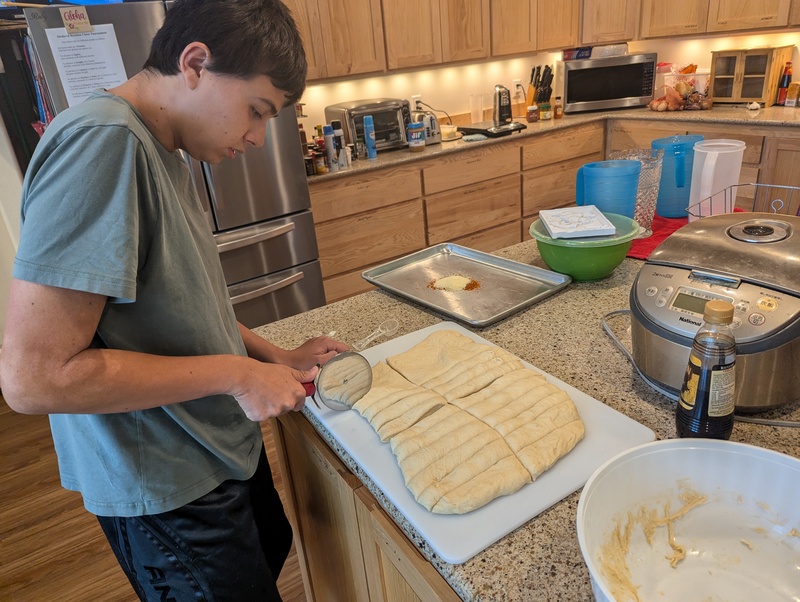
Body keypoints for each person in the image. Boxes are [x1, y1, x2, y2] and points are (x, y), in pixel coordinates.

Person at [0, 0, 348, 599]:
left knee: (270, 554)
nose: (258, 137)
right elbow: (34, 377)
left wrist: (275, 356)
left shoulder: (163, 144)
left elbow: (185, 306)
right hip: (166, 481)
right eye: (256, 110)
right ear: (194, 62)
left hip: (209, 446)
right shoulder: (102, 146)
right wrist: (239, 377)